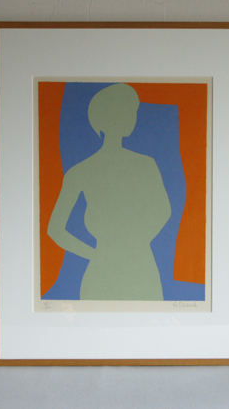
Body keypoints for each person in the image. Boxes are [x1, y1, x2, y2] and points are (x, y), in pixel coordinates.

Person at [47, 83, 171, 300]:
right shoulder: (80, 172)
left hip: (140, 268)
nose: (131, 118)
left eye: (132, 111)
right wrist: (95, 254)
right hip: (105, 272)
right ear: (105, 117)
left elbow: (164, 210)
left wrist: (134, 244)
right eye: (124, 111)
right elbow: (55, 229)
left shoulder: (146, 164)